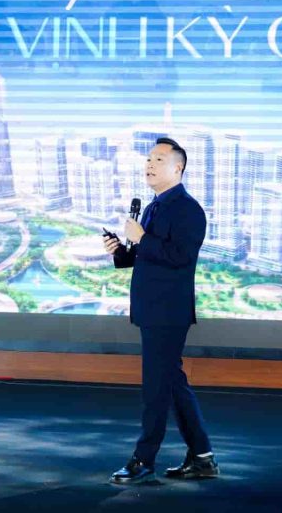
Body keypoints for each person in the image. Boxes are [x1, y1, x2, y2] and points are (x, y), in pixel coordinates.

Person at [103, 137, 218, 484]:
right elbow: (146, 257)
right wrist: (120, 251)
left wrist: (141, 238)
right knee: (172, 383)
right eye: (149, 159)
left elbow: (181, 257)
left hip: (169, 311)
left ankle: (143, 459)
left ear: (177, 168)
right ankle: (202, 458)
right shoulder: (153, 207)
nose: (149, 165)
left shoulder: (188, 210)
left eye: (158, 159)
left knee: (156, 388)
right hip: (150, 308)